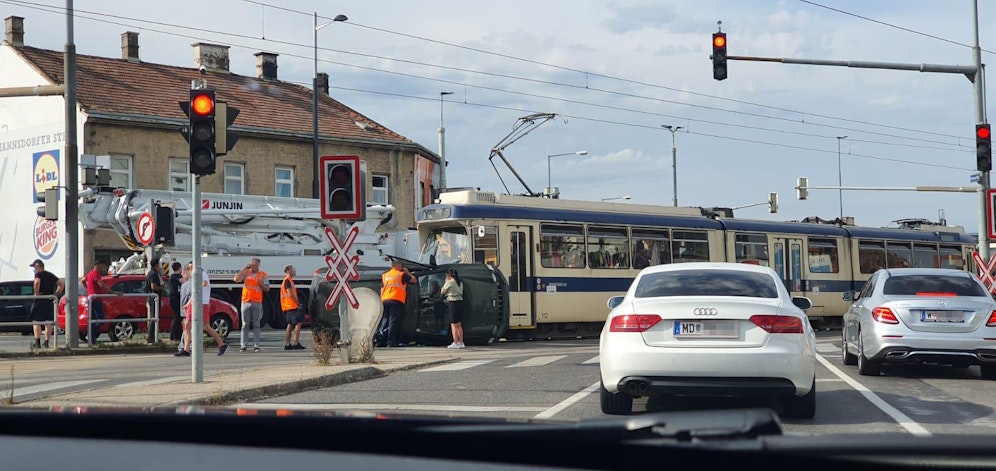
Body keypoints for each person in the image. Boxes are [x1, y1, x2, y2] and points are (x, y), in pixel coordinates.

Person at [177, 262, 228, 356]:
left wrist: (197, 282)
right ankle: (186, 349)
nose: (190, 270)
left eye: (191, 267)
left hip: (202, 304)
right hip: (194, 303)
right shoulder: (193, 278)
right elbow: (194, 293)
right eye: (189, 268)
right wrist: (188, 304)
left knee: (205, 326)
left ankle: (222, 344)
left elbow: (204, 283)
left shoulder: (202, 274)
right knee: (187, 325)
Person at [378, 259, 417, 348]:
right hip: (396, 299)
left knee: (385, 320)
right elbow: (414, 280)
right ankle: (391, 341)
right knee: (393, 321)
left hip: (385, 300)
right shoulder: (401, 274)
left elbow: (382, 288)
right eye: (401, 266)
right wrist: (408, 272)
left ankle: (380, 339)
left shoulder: (385, 275)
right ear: (398, 266)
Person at [234, 257, 269, 352]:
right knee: (245, 324)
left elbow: (267, 289)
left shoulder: (263, 275)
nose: (252, 265)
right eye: (251, 264)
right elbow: (236, 279)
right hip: (246, 301)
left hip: (257, 302)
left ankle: (256, 345)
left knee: (257, 324)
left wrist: (261, 284)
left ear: (258, 265)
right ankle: (243, 345)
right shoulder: (246, 272)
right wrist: (244, 268)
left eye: (254, 264)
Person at [29, 259, 63, 349]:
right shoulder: (50, 274)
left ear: (38, 266)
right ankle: (46, 342)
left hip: (40, 299)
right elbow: (61, 284)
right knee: (48, 322)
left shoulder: (38, 274)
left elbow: (37, 282)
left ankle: (37, 342)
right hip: (49, 299)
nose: (34, 269)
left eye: (34, 267)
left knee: (36, 321)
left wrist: (36, 293)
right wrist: (56, 294)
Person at [84, 259, 123, 340]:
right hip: (96, 299)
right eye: (103, 266)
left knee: (93, 319)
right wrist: (113, 292)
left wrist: (88, 289)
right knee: (101, 318)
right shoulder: (96, 273)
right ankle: (92, 334)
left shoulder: (90, 273)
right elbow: (101, 284)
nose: (104, 268)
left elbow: (82, 281)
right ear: (99, 265)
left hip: (91, 298)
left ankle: (91, 337)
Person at [280, 265, 306, 350]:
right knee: (298, 323)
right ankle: (296, 342)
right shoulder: (287, 280)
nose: (294, 271)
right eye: (293, 270)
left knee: (290, 324)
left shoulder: (288, 280)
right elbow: (290, 294)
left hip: (287, 306)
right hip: (291, 305)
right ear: (288, 271)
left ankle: (288, 344)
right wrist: (298, 303)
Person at [440, 268, 465, 349]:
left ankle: (455, 342)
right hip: (460, 302)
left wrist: (445, 282)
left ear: (449, 275)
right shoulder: (460, 282)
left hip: (453, 302)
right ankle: (461, 342)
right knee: (459, 324)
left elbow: (442, 291)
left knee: (453, 324)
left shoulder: (450, 281)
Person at [144, 262, 165, 343]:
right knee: (154, 316)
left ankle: (152, 336)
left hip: (152, 297)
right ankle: (151, 336)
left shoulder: (152, 273)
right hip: (153, 298)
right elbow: (153, 286)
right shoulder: (153, 274)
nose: (160, 266)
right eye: (159, 264)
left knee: (154, 316)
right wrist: (161, 288)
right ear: (156, 265)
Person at [167, 262, 183, 341]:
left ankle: (177, 334)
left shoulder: (175, 276)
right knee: (176, 317)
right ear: (179, 268)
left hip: (177, 298)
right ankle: (173, 335)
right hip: (175, 298)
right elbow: (182, 281)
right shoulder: (174, 276)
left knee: (178, 317)